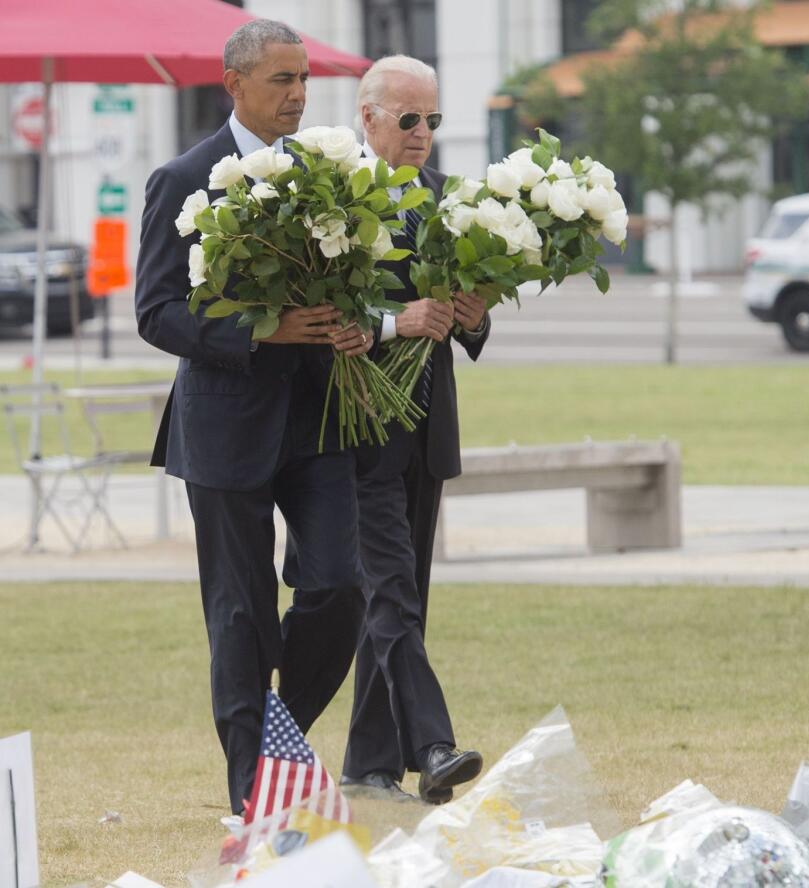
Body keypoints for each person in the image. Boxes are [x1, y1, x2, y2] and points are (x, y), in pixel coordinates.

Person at [135, 20, 371, 817]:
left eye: (304, 77)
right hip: (226, 425)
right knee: (240, 613)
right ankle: (252, 792)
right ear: (233, 83)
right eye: (281, 79)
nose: (299, 93)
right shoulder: (181, 177)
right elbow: (156, 312)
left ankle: (281, 742)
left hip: (320, 420)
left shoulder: (330, 177)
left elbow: (351, 281)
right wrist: (255, 331)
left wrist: (355, 322)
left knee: (341, 585)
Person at [324, 55, 487, 804]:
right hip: (355, 427)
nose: (423, 134)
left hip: (427, 429)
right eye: (409, 119)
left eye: (434, 121)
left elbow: (461, 320)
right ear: (369, 118)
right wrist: (396, 321)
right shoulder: (329, 200)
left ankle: (368, 760)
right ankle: (433, 746)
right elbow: (321, 317)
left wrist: (472, 315)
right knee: (390, 592)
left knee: (404, 593)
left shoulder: (449, 201)